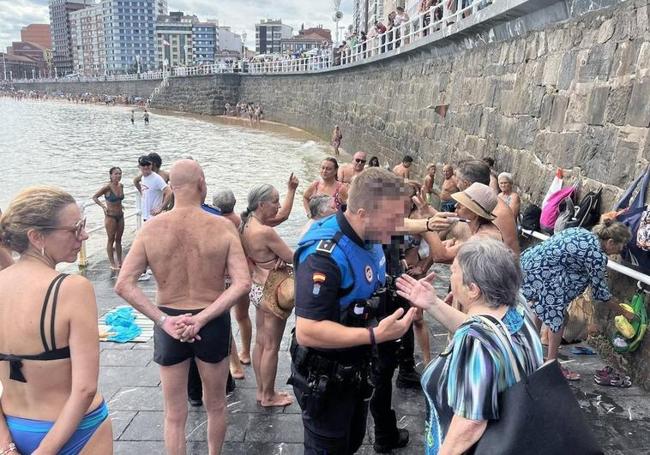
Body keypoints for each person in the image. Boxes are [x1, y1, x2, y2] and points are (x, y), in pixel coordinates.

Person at [115, 160, 251, 454]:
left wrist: (163, 321)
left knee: (174, 414)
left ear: (171, 187)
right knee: (215, 405)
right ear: (202, 183)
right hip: (211, 320)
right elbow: (243, 283)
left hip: (169, 322)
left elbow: (124, 284)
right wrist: (201, 318)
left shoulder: (151, 230)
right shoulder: (223, 227)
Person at [289, 167, 418, 454]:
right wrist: (375, 335)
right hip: (326, 377)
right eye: (392, 219)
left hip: (357, 373)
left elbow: (370, 289)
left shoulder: (371, 239)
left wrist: (408, 292)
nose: (398, 227)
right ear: (362, 213)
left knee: (353, 440)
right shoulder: (324, 258)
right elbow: (308, 331)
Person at [396, 239, 543, 454]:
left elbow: (470, 424)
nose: (451, 276)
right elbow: (483, 327)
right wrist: (433, 303)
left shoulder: (476, 343)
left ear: (473, 289)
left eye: (454, 271)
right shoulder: (517, 309)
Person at [0, 187, 113, 454]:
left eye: (83, 226)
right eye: (75, 229)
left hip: (15, 427)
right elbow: (85, 388)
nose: (84, 236)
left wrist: (5, 445)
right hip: (78, 431)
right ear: (37, 237)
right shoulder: (72, 289)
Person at [521, 221, 631, 380]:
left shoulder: (582, 232)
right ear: (610, 242)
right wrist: (624, 312)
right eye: (619, 247)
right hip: (545, 274)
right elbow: (601, 294)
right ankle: (551, 365)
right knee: (558, 319)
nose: (618, 252)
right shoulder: (596, 256)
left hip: (530, 264)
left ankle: (529, 355)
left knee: (542, 309)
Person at [240, 184, 295, 407]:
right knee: (271, 345)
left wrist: (270, 258)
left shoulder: (245, 224)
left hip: (256, 288)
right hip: (271, 289)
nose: (278, 205)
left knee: (261, 341)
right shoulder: (265, 231)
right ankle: (269, 396)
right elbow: (292, 257)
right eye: (275, 201)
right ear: (261, 204)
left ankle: (261, 390)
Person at [212, 190, 246, 381]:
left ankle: (235, 364)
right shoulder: (243, 221)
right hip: (242, 275)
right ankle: (246, 352)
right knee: (242, 317)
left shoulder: (216, 224)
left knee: (225, 319)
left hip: (224, 278)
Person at [92, 167, 125, 271]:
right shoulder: (107, 187)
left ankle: (120, 261)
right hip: (110, 216)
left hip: (120, 215)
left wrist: (121, 205)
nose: (118, 176)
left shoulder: (121, 185)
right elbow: (95, 197)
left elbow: (119, 200)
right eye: (115, 174)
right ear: (111, 175)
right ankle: (112, 263)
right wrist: (103, 206)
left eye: (120, 174)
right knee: (111, 239)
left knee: (119, 239)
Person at [135, 155, 172, 222]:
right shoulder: (143, 177)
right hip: (146, 215)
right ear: (139, 166)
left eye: (148, 164)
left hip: (155, 217)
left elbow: (169, 192)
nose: (146, 167)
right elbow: (136, 181)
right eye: (143, 164)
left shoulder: (156, 178)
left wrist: (161, 208)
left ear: (151, 165)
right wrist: (142, 193)